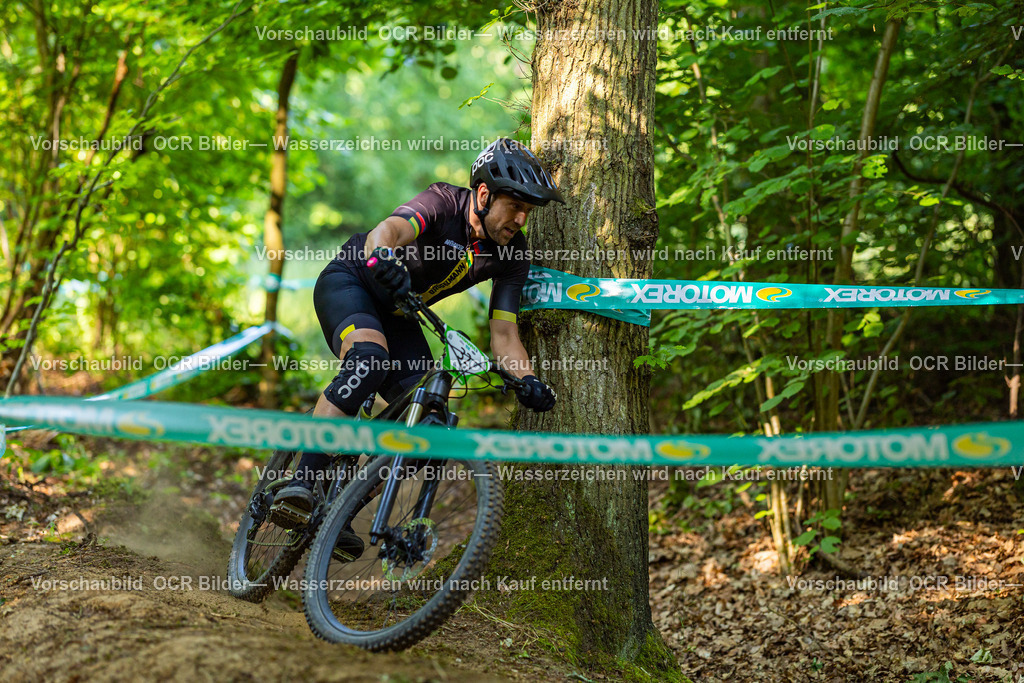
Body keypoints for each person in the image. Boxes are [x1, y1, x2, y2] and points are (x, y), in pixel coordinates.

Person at [269, 138, 563, 537]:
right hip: (354, 281)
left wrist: (528, 380)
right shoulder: (443, 202)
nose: (521, 220)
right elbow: (387, 230)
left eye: (528, 211)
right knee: (369, 361)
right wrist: (382, 257)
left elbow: (505, 333)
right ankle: (301, 481)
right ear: (483, 194)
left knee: (428, 427)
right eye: (515, 207)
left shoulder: (512, 253)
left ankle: (338, 513)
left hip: (401, 312)